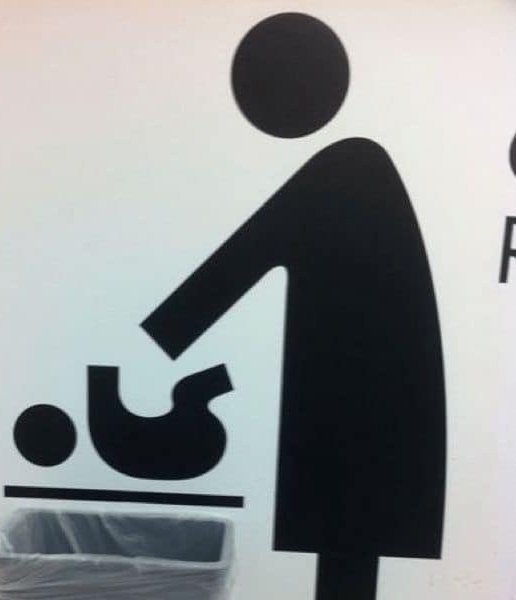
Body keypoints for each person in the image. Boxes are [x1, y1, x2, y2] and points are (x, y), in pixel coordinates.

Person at [142, 13, 445, 600]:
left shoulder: (348, 167)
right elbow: (243, 260)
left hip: (357, 413)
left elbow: (237, 264)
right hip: (358, 410)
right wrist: (172, 328)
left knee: (350, 535)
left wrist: (170, 330)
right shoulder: (352, 169)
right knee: (350, 541)